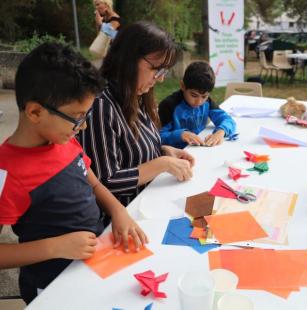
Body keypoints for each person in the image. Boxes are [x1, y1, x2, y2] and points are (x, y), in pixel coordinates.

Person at [0, 43, 148, 304]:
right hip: (52, 286)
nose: (84, 126)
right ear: (35, 112)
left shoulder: (65, 141)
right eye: (77, 117)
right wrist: (56, 247)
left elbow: (93, 184)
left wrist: (118, 211)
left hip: (94, 265)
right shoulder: (6, 172)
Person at [81, 21, 195, 207]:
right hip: (123, 218)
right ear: (129, 58)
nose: (161, 78)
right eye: (156, 69)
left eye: (164, 70)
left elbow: (132, 151)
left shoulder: (136, 94)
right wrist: (162, 164)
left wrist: (164, 151)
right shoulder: (101, 106)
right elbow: (105, 182)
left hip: (148, 201)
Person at [158, 61, 236, 149]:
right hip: (177, 153)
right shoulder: (168, 106)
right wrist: (180, 135)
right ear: (183, 86)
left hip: (200, 150)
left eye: (204, 96)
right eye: (194, 95)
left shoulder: (207, 102)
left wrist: (221, 132)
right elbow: (158, 137)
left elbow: (227, 120)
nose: (199, 102)